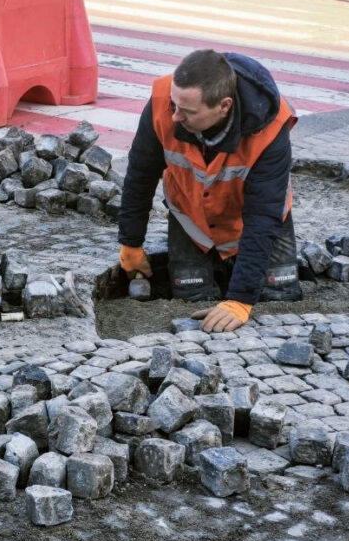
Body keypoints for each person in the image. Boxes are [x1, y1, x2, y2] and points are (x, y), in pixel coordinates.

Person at [117, 49, 302, 333]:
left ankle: (235, 276)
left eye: (187, 111)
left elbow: (262, 216)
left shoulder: (271, 127)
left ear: (224, 106)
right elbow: (140, 175)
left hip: (246, 221)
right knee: (191, 298)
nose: (175, 116)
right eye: (174, 105)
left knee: (280, 297)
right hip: (192, 220)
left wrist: (240, 299)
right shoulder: (163, 102)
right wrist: (131, 242)